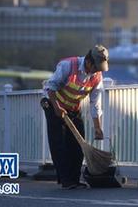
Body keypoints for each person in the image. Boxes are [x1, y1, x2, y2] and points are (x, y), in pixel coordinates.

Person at [41, 44, 108, 189]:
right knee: (59, 142)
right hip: (52, 103)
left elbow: (95, 104)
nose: (97, 71)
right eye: (96, 67)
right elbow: (50, 87)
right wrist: (56, 107)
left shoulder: (97, 77)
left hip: (72, 107)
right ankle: (66, 181)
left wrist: (98, 127)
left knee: (78, 143)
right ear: (89, 62)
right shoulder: (68, 66)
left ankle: (74, 179)